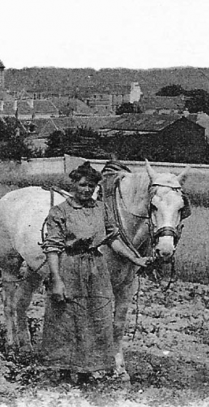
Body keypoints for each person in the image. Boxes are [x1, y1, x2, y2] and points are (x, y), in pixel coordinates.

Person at [41, 162, 148, 384]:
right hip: (69, 264)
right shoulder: (60, 212)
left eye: (91, 186)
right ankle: (63, 371)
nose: (87, 189)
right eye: (82, 185)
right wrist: (56, 280)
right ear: (73, 184)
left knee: (94, 317)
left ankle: (86, 371)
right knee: (66, 318)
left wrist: (134, 258)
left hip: (96, 267)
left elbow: (113, 239)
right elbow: (52, 248)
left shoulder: (101, 209)